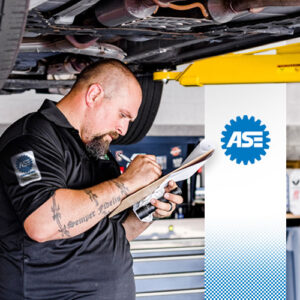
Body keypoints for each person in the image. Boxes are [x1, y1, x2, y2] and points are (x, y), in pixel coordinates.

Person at [0, 59, 183, 300]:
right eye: (122, 115)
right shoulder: (29, 141)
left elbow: (113, 232)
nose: (124, 129)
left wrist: (149, 209)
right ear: (94, 95)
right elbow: (42, 223)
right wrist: (126, 183)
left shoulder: (96, 148)